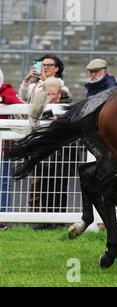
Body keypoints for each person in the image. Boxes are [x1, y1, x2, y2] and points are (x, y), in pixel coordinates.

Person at [28, 78, 77, 229]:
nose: (52, 97)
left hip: (64, 155)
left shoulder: (68, 105)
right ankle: (46, 220)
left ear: (59, 93)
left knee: (60, 188)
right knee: (46, 187)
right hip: (46, 154)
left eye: (54, 93)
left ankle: (58, 220)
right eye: (48, 93)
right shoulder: (39, 106)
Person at [0, 68, 24, 230]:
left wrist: (3, 98)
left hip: (4, 148)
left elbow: (19, 104)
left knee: (4, 184)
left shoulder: (7, 90)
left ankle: (3, 218)